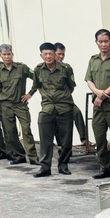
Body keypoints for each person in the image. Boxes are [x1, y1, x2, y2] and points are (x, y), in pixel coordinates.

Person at [30, 42, 76, 177]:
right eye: (46, 54)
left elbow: (71, 86)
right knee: (45, 139)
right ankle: (45, 167)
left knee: (66, 140)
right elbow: (37, 86)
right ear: (41, 55)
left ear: (55, 54)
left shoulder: (66, 68)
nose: (49, 56)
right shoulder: (38, 69)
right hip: (47, 108)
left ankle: (63, 165)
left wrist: (61, 97)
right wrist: (47, 97)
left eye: (51, 53)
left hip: (64, 107)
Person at [85, 28, 110, 180]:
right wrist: (97, 92)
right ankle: (104, 168)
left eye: (106, 41)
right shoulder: (93, 60)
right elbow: (89, 80)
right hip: (99, 107)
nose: (104, 44)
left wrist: (103, 94)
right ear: (96, 43)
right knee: (99, 138)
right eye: (100, 41)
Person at [0, 45, 38, 166]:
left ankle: (33, 157)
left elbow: (36, 78)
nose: (7, 57)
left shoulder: (22, 68)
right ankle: (19, 155)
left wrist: (30, 94)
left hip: (20, 104)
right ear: (0, 55)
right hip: (6, 105)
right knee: (10, 132)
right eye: (4, 54)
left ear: (12, 54)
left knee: (26, 130)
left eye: (9, 54)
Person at [55, 42, 89, 150]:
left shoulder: (66, 68)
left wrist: (64, 95)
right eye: (59, 54)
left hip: (66, 101)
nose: (61, 57)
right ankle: (61, 145)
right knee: (54, 121)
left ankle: (84, 139)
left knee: (77, 112)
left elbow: (72, 85)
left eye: (63, 54)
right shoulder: (44, 68)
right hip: (52, 103)